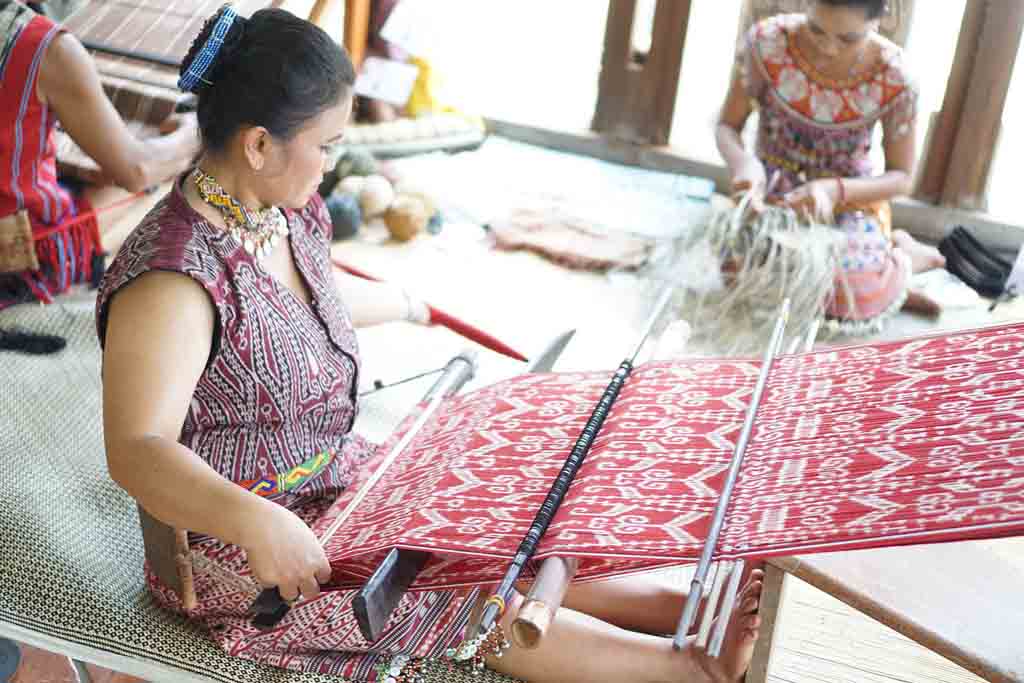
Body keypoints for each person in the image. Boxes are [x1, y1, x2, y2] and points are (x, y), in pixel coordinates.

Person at [97, 6, 762, 683]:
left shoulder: (279, 209)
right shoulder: (172, 279)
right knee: (439, 599)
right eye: (325, 144)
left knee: (480, 517)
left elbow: (293, 306)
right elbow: (136, 449)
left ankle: (667, 604)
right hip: (244, 547)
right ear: (260, 145)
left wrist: (412, 303)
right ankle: (685, 666)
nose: (332, 162)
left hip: (336, 477)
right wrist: (258, 522)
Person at [717, 0, 945, 327]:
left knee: (845, 294)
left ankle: (904, 259)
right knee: (740, 273)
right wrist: (744, 165)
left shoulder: (895, 76)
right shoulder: (766, 42)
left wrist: (832, 191)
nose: (828, 48)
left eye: (848, 39)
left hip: (847, 202)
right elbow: (727, 127)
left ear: (881, 19)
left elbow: (902, 177)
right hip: (771, 195)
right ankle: (885, 279)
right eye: (815, 30)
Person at [0, 0, 198, 312]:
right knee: (167, 181)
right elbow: (137, 170)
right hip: (15, 257)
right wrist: (192, 134)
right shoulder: (45, 47)